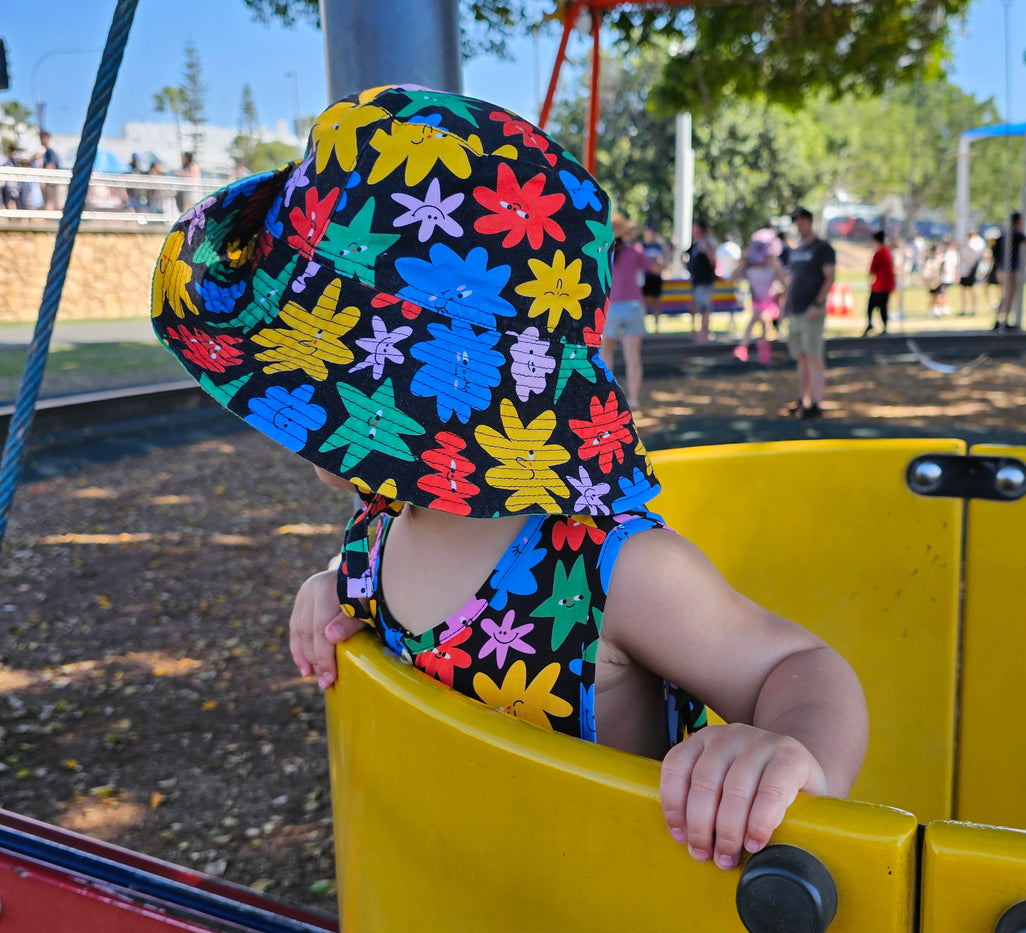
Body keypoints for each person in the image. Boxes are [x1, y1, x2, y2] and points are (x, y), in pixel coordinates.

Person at [150, 85, 868, 874]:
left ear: (417, 395)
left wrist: (790, 753)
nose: (286, 411)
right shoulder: (381, 521)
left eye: (302, 375)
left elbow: (794, 666)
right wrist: (332, 588)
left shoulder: (613, 570)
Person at [783, 207, 836, 419]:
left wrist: (817, 303)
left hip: (811, 310)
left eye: (803, 221)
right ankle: (803, 399)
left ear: (810, 222)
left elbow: (830, 277)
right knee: (801, 356)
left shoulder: (822, 248)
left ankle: (816, 402)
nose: (800, 225)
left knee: (814, 355)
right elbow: (791, 280)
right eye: (797, 222)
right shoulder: (795, 250)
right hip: (795, 311)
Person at [602, 216, 649, 406]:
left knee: (605, 355)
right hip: (633, 307)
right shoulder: (635, 251)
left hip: (610, 308)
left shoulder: (604, 253)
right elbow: (655, 268)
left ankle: (607, 397)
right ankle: (634, 398)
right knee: (633, 357)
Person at [736, 228, 782, 362]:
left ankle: (746, 346)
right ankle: (758, 347)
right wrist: (742, 263)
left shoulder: (773, 268)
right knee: (759, 318)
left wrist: (776, 266)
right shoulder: (751, 269)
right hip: (758, 302)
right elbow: (734, 277)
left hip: (770, 303)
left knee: (762, 318)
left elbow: (784, 282)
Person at [685, 219, 717, 342]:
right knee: (696, 306)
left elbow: (712, 259)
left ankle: (704, 332)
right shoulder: (696, 243)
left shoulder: (706, 241)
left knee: (704, 307)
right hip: (697, 279)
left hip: (704, 279)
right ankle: (698, 331)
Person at [996, 212, 1026, 330]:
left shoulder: (1004, 234)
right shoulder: (1016, 234)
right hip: (1010, 270)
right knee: (1009, 296)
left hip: (1001, 269)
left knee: (1005, 295)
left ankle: (1000, 319)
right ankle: (1003, 320)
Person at [862, 230, 894, 336]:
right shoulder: (887, 251)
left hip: (879, 285)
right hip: (887, 285)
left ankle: (872, 324)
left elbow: (872, 270)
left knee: (872, 306)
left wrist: (870, 280)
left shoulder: (879, 253)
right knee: (883, 306)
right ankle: (883, 325)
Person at [640, 224, 671, 333]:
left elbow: (666, 261)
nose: (652, 235)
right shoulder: (641, 246)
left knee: (656, 304)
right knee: (642, 304)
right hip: (645, 279)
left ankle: (657, 329)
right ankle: (642, 328)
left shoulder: (659, 247)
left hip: (656, 278)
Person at [958, 227, 984, 316]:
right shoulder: (965, 243)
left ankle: (974, 308)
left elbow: (976, 253)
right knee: (964, 289)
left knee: (972, 289)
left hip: (972, 269)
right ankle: (964, 308)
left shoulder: (977, 243)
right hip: (964, 269)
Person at [38, 132, 62, 212]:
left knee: (49, 203)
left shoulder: (50, 152)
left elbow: (51, 166)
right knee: (48, 203)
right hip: (50, 182)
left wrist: (43, 181)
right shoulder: (47, 153)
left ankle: (49, 222)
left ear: (45, 138)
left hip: (50, 182)